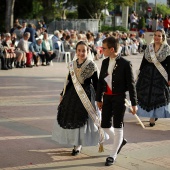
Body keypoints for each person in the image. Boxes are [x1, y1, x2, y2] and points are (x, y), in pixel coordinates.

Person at [52, 41, 100, 156]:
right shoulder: (72, 64)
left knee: (82, 119)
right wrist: (62, 94)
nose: (81, 53)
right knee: (71, 118)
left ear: (87, 51)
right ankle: (75, 143)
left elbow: (97, 83)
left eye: (84, 50)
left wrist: (99, 98)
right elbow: (68, 82)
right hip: (72, 95)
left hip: (86, 95)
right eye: (79, 50)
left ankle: (79, 144)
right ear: (76, 51)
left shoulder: (91, 65)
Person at [96, 37, 138, 166]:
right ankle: (120, 141)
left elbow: (131, 85)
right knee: (105, 125)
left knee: (118, 126)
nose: (101, 50)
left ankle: (112, 155)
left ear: (112, 49)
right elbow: (101, 82)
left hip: (120, 98)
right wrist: (99, 98)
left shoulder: (126, 64)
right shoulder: (104, 62)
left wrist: (134, 103)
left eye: (104, 48)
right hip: (107, 98)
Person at [136, 29, 170, 127]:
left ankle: (152, 118)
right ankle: (148, 115)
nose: (156, 37)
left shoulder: (167, 48)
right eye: (155, 35)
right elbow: (143, 62)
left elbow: (169, 65)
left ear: (163, 37)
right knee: (145, 95)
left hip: (160, 76)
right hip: (146, 75)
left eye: (159, 36)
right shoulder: (149, 47)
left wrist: (169, 78)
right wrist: (139, 74)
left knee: (157, 96)